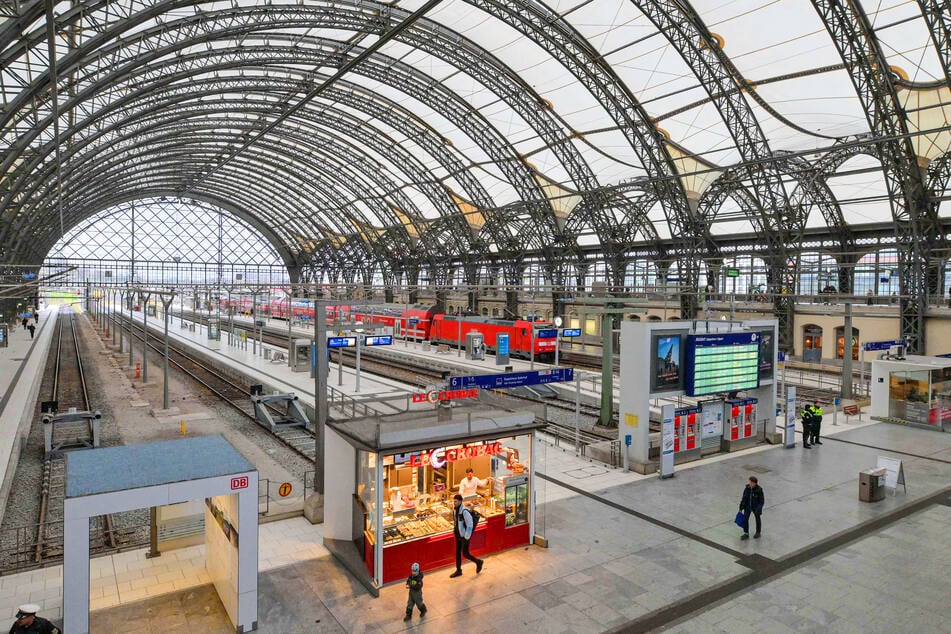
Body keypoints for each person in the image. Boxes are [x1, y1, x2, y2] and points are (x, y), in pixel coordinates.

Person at [449, 493, 483, 578]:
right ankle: (458, 570)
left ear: (460, 501)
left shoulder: (464, 511)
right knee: (457, 553)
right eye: (454, 501)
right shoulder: (455, 509)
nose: (454, 503)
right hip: (458, 534)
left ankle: (478, 562)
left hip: (464, 536)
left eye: (456, 501)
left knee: (465, 553)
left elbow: (470, 525)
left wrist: (466, 537)